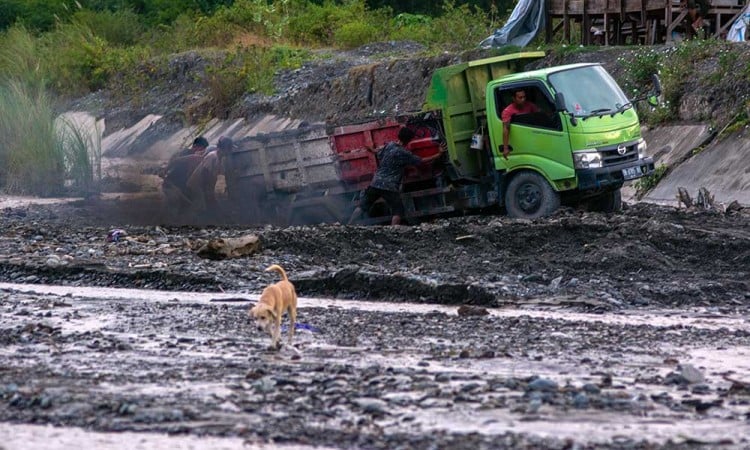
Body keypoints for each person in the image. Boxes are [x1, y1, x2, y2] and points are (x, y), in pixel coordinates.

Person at [348, 127, 441, 226]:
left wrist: (371, 149)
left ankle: (348, 225)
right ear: (409, 140)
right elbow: (421, 161)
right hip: (390, 186)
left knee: (363, 206)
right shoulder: (404, 153)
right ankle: (394, 231)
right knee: (398, 211)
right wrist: (438, 154)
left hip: (375, 182)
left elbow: (377, 152)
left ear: (399, 136)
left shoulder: (390, 145)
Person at [186, 136, 234, 213]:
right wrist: (208, 191)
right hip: (197, 186)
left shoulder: (220, 158)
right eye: (229, 149)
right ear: (225, 149)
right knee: (203, 207)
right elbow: (205, 173)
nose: (230, 151)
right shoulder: (212, 156)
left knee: (212, 204)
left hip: (205, 187)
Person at [501, 89, 539, 160]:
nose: (523, 99)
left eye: (524, 97)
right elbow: (506, 128)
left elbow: (540, 115)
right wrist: (505, 148)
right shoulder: (508, 111)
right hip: (520, 142)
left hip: (533, 138)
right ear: (514, 99)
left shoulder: (530, 105)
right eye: (520, 97)